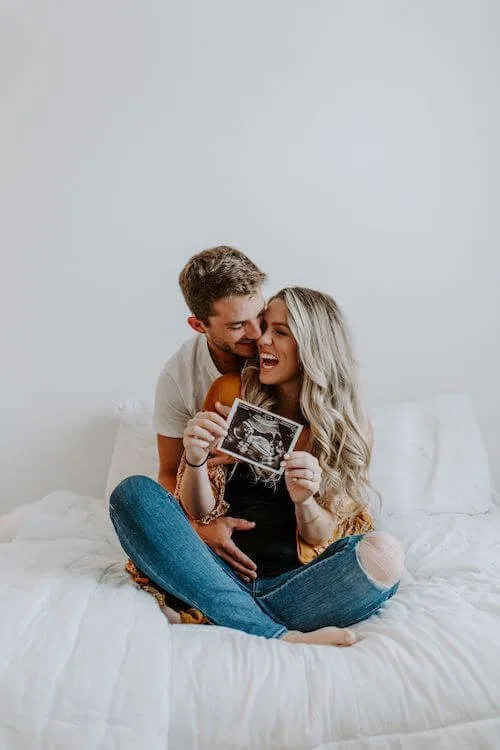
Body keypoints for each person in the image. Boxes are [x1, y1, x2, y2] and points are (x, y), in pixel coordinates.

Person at [110, 287, 404, 646]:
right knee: (133, 494)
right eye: (265, 327)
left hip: (297, 584)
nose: (260, 340)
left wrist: (305, 500)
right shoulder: (233, 392)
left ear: (312, 345)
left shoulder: (346, 426)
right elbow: (197, 509)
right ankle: (277, 634)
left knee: (384, 556)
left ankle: (228, 615)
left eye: (279, 332)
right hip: (215, 571)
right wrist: (196, 459)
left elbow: (319, 536)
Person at [154, 245, 268, 580]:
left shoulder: (289, 342)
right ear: (198, 324)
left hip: (291, 504)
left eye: (259, 316)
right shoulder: (179, 376)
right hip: (215, 502)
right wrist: (198, 531)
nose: (258, 333)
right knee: (135, 496)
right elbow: (169, 471)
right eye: (237, 325)